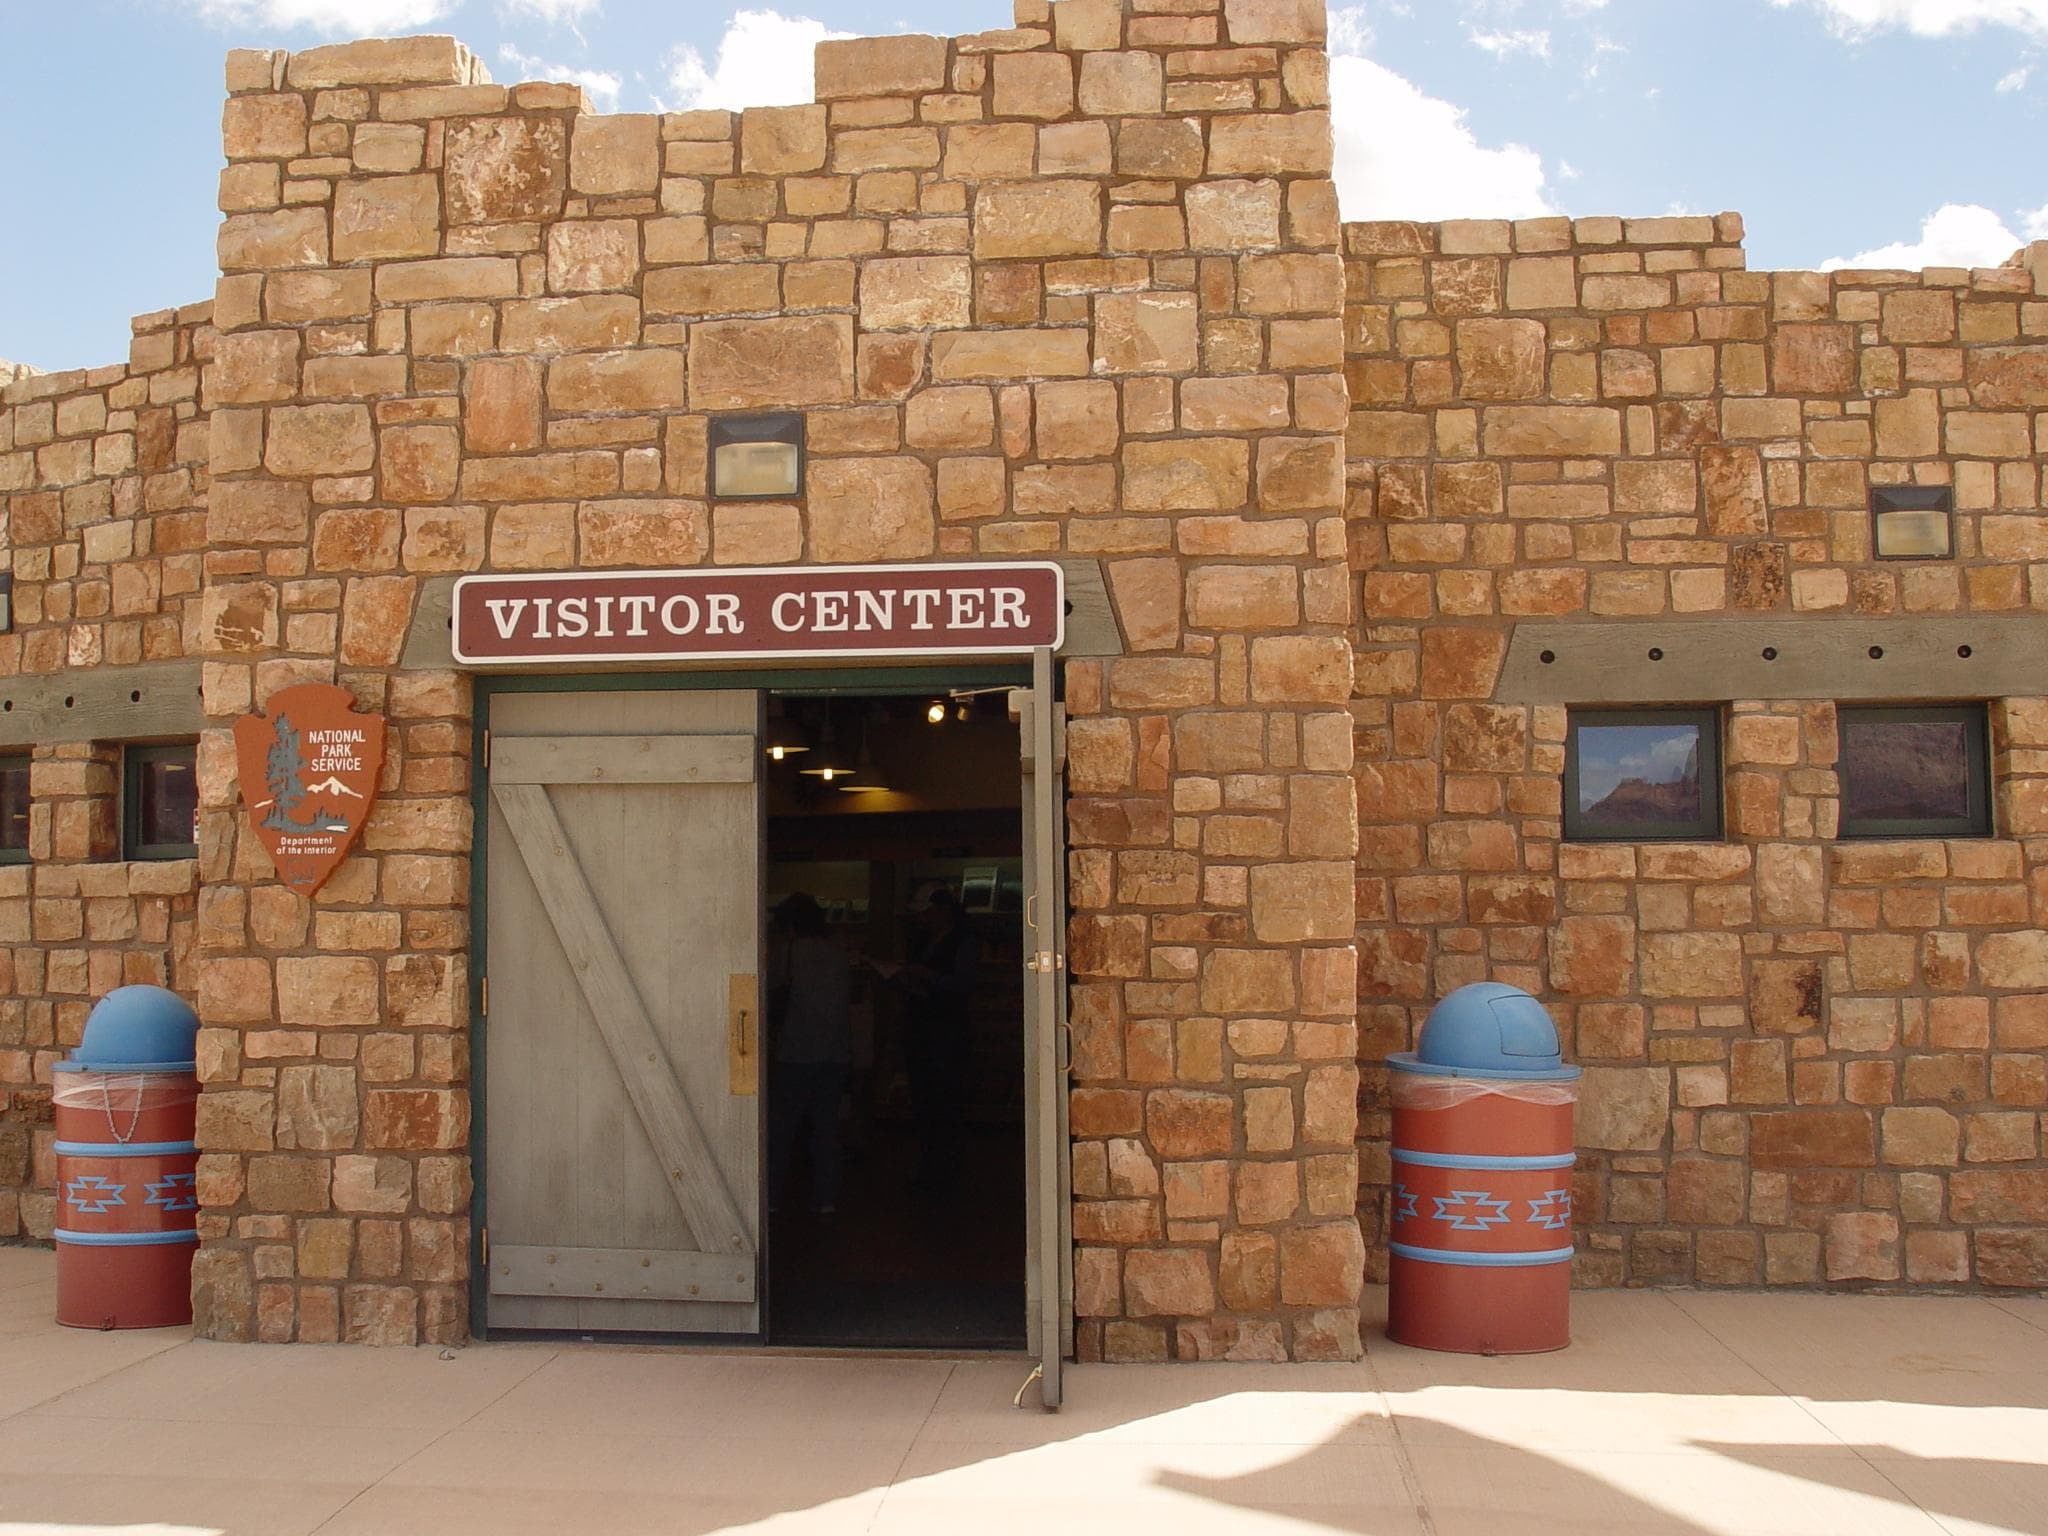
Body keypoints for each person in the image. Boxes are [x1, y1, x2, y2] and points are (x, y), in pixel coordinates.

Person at [766, 892, 853, 1214]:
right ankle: (826, 1198)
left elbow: (768, 992)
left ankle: (771, 1198)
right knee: (826, 1128)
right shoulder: (838, 952)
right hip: (836, 1053)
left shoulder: (787, 953)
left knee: (783, 1129)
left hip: (795, 1051)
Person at [898, 884, 979, 1193]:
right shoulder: (924, 941)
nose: (923, 920)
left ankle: (946, 1172)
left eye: (927, 914)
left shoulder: (963, 943)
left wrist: (927, 976)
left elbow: (963, 983)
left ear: (942, 911)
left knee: (947, 1103)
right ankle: (929, 1167)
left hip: (947, 1036)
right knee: (925, 1103)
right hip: (922, 1032)